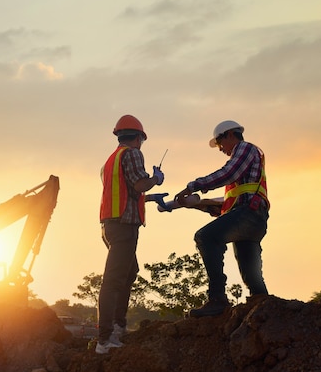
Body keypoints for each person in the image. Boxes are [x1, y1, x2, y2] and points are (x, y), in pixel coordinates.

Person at [174, 120, 270, 318]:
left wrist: (194, 186)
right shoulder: (243, 174)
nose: (221, 150)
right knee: (251, 273)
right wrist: (196, 204)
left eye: (220, 144)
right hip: (251, 218)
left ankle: (217, 298)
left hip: (249, 215)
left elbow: (228, 173)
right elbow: (225, 207)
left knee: (206, 237)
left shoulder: (244, 148)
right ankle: (265, 308)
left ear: (230, 135)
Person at [96, 114, 167, 354]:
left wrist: (149, 197)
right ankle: (107, 337)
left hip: (110, 225)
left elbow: (126, 192)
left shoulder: (111, 160)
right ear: (138, 138)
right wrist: (155, 179)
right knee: (115, 279)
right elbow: (139, 184)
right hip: (125, 226)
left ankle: (117, 326)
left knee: (128, 272)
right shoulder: (133, 153)